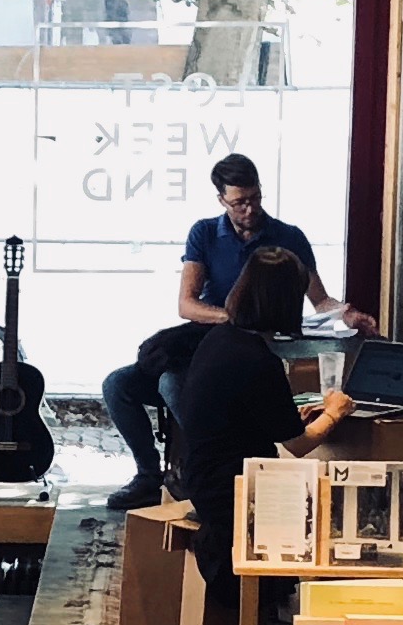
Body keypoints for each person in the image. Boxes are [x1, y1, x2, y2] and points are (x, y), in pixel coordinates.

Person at [99, 153, 373, 511]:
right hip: (212, 338)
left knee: (173, 386)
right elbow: (187, 304)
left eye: (255, 198)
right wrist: (238, 317)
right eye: (239, 202)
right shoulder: (205, 233)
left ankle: (197, 468)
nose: (249, 209)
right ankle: (151, 475)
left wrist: (348, 314)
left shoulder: (288, 237)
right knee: (119, 384)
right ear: (221, 200)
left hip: (250, 342)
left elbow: (320, 301)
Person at [173, 244, 357, 625]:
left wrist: (295, 413)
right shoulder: (258, 360)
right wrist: (335, 412)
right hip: (232, 491)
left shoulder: (219, 340)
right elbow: (298, 444)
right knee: (331, 503)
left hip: (202, 476)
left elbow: (249, 414)